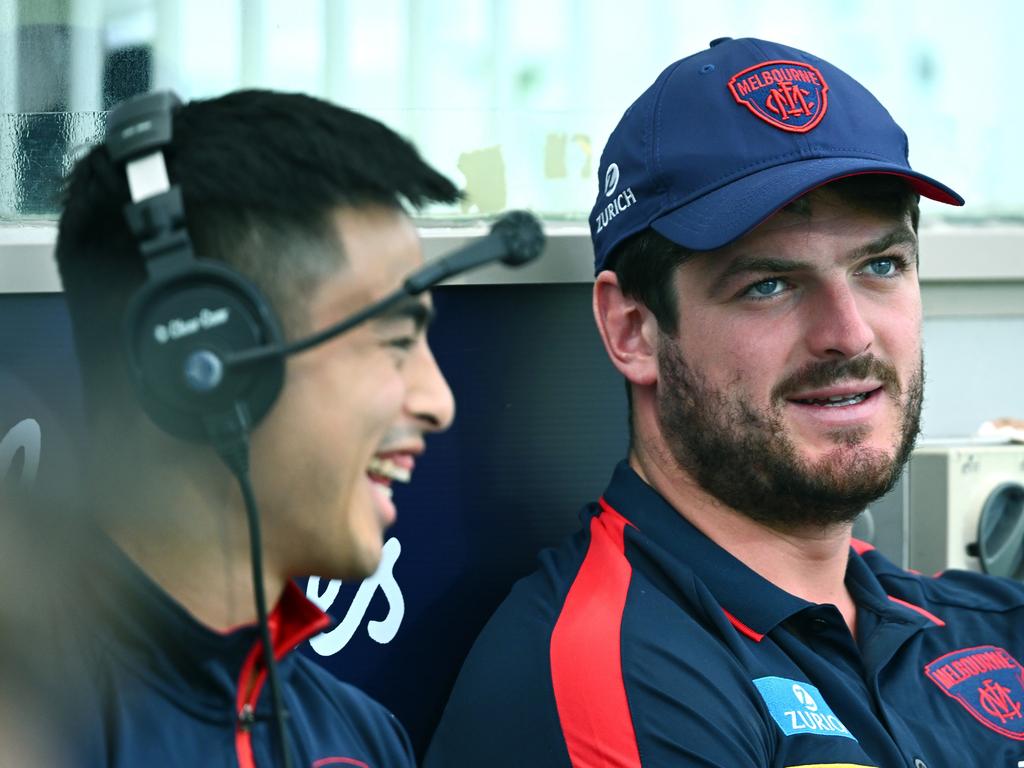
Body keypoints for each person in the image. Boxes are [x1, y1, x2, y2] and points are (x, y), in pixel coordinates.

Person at [426, 37, 1024, 768]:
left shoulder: (976, 624)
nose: (850, 333)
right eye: (768, 284)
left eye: (880, 265)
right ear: (633, 330)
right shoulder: (620, 677)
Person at [48, 88, 458, 766]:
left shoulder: (363, 739)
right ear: (197, 359)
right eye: (391, 341)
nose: (437, 400)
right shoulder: (30, 732)